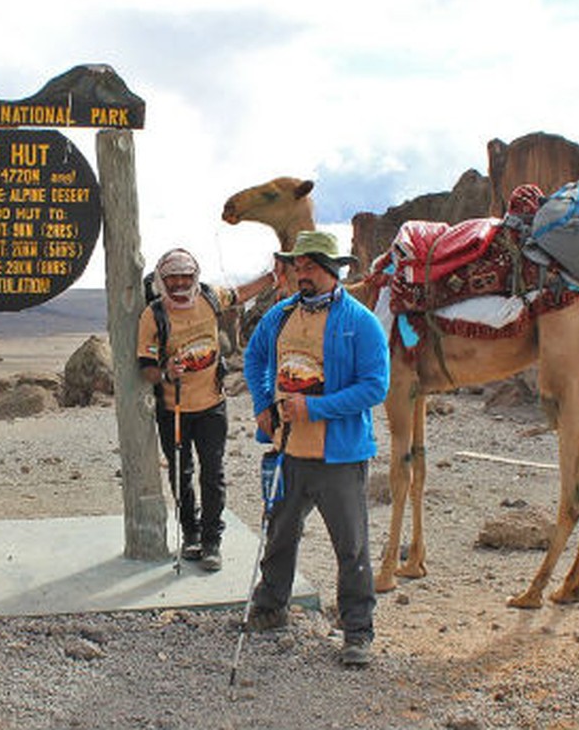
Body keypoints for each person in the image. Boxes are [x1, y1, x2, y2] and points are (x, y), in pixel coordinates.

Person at [242, 230, 390, 668]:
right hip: (288, 449)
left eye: (309, 267)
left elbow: (375, 386)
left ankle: (357, 631)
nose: (300, 274)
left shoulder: (360, 322)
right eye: (297, 267)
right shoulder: (281, 315)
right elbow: (254, 358)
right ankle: (270, 609)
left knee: (352, 546)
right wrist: (262, 403)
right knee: (280, 533)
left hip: (339, 456)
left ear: (332, 270)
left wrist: (316, 407)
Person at [137, 249, 275, 571]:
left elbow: (240, 294)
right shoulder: (153, 315)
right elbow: (145, 367)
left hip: (212, 403)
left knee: (213, 474)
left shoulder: (210, 297)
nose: (181, 283)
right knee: (180, 474)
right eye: (173, 278)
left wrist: (272, 278)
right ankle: (191, 535)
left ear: (195, 275)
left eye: (186, 276)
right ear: (162, 279)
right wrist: (166, 372)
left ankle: (212, 541)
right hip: (174, 408)